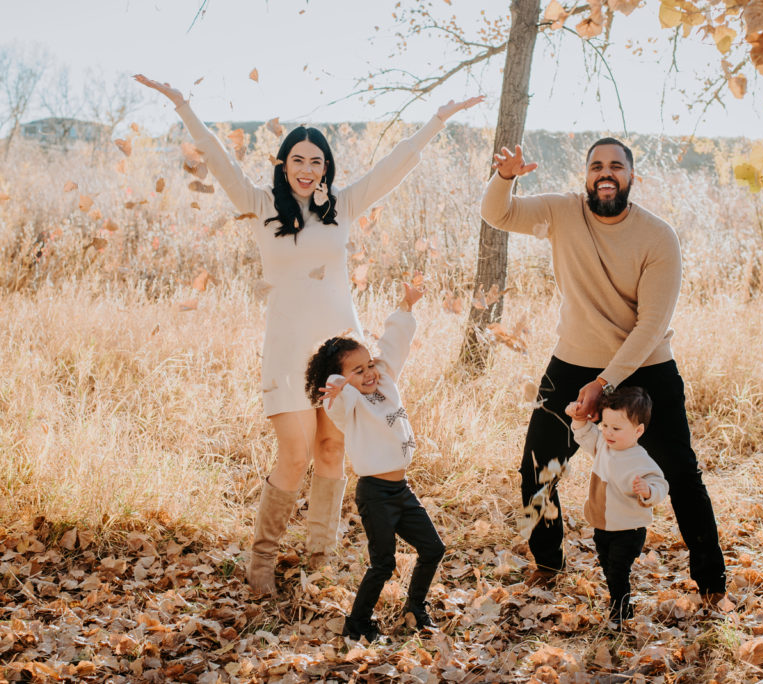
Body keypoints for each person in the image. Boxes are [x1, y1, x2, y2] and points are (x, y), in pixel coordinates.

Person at [135, 74, 480, 596]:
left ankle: (320, 560)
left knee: (331, 451)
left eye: (316, 161)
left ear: (326, 169)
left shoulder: (341, 207)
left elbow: (393, 167)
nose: (307, 169)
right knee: (294, 454)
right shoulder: (260, 205)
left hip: (341, 347)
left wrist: (436, 120)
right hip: (288, 346)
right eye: (298, 159)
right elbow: (217, 157)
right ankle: (262, 565)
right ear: (283, 164)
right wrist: (183, 104)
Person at [479, 139, 727, 602]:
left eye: (616, 165)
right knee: (538, 467)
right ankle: (548, 562)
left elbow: (651, 326)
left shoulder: (657, 236)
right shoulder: (561, 212)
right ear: (586, 175)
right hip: (572, 361)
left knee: (681, 475)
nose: (605, 172)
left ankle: (712, 585)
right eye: (596, 165)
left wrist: (604, 383)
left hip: (646, 368)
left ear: (632, 177)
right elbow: (499, 214)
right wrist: (505, 177)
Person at [308, 282, 444, 642]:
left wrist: (406, 305)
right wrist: (340, 385)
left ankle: (415, 607)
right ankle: (357, 623)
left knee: (433, 548)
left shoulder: (383, 383)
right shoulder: (347, 405)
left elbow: (392, 346)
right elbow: (336, 397)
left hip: (401, 490)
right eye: (358, 371)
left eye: (368, 365)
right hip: (375, 494)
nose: (368, 373)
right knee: (383, 564)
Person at [566, 386, 667, 630]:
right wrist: (578, 417)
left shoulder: (641, 459)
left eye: (617, 428)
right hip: (603, 523)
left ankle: (620, 610)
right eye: (606, 426)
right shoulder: (603, 445)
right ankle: (621, 602)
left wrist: (648, 490)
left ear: (638, 430)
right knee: (607, 564)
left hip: (629, 528)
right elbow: (585, 434)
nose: (608, 433)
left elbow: (660, 484)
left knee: (618, 570)